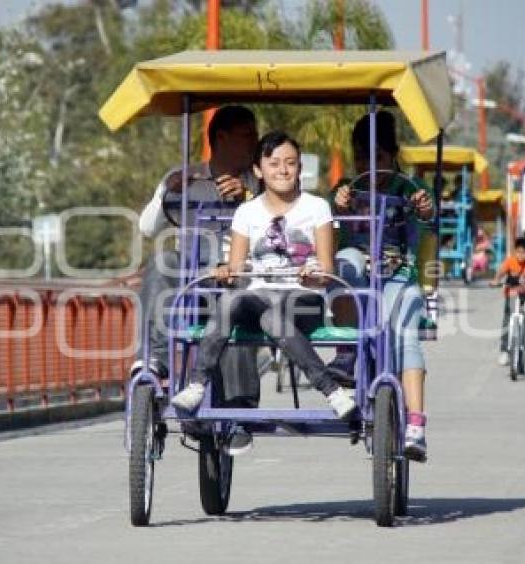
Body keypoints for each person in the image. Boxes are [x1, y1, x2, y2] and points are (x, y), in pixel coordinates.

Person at [171, 131, 357, 455]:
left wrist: (313, 276)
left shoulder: (317, 208)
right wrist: (225, 273)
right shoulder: (247, 212)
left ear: (299, 169)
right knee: (229, 303)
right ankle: (197, 384)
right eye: (274, 164)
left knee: (273, 318)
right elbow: (237, 268)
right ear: (258, 170)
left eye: (290, 164)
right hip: (258, 296)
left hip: (302, 296)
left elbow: (327, 271)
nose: (283, 171)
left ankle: (331, 390)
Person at [328, 111, 435, 462]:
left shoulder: (410, 189)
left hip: (397, 279)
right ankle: (347, 352)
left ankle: (416, 424)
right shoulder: (346, 189)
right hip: (358, 283)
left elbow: (426, 211)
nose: (369, 167)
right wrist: (339, 204)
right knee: (344, 261)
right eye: (361, 159)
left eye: (378, 159)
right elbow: (332, 208)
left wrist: (424, 206)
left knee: (405, 338)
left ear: (393, 156)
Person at [132, 106, 259, 384]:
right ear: (222, 138)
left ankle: (237, 405)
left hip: (237, 275)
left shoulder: (259, 181)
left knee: (238, 295)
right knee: (163, 261)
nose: (255, 142)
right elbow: (147, 228)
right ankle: (153, 359)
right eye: (247, 135)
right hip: (192, 276)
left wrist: (248, 196)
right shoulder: (184, 176)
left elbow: (277, 229)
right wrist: (168, 192)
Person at [490, 238, 525, 366]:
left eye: (524, 252)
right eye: (518, 252)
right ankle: (504, 352)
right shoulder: (510, 261)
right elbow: (501, 272)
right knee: (507, 320)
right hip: (513, 292)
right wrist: (495, 280)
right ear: (515, 252)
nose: (521, 255)